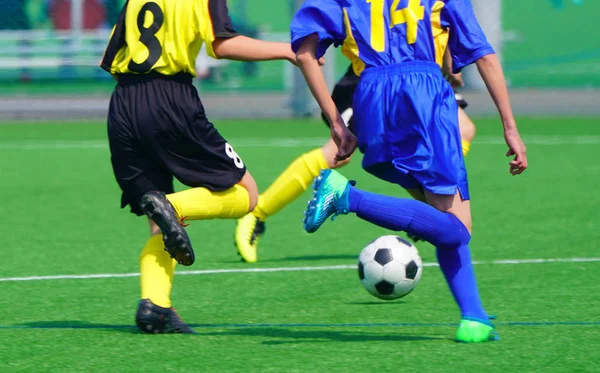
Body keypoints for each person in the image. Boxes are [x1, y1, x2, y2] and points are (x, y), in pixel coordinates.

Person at [292, 0, 527, 343]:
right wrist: (510, 126)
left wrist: (335, 122)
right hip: (423, 97)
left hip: (370, 97)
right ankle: (346, 196)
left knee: (443, 214)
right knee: (457, 229)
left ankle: (474, 318)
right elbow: (484, 55)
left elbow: (304, 54)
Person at [100, 0, 297, 334]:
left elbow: (108, 56)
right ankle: (172, 207)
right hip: (169, 99)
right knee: (246, 194)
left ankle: (155, 306)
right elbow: (222, 44)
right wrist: (289, 50)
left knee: (156, 217)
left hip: (123, 104)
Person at [234, 50, 476, 263]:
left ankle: (434, 212)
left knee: (464, 129)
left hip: (421, 77)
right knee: (336, 153)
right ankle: (258, 212)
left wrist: (447, 63)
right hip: (372, 78)